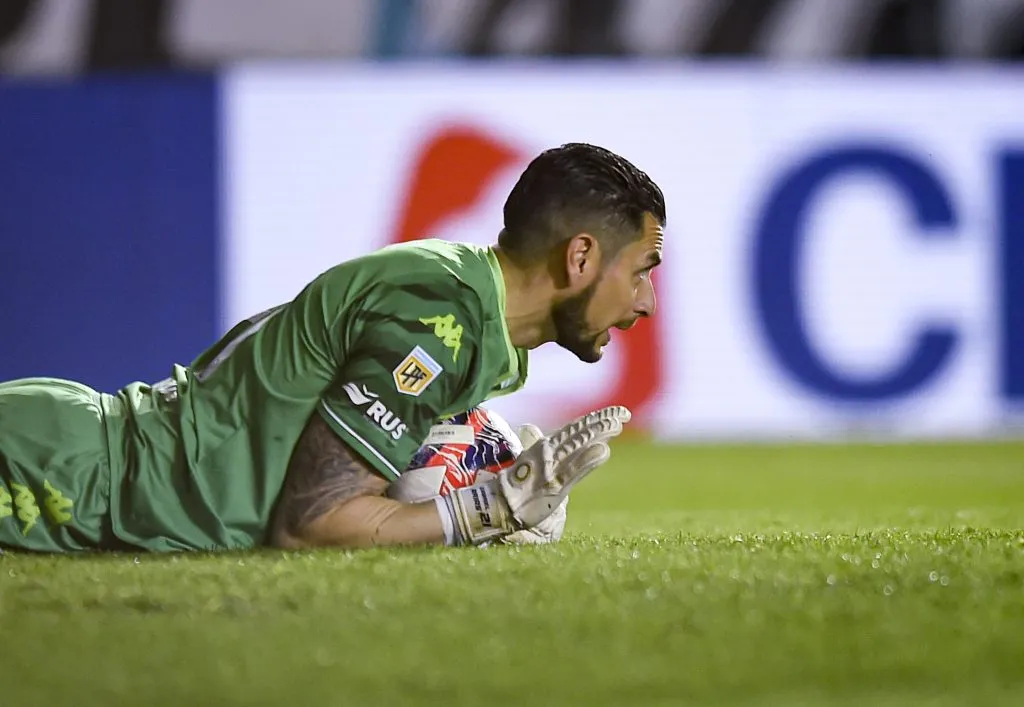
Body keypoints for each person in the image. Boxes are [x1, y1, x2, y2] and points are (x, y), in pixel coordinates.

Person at [0, 142, 666, 554]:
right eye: (641, 270)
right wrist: (485, 509)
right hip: (63, 476)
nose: (646, 301)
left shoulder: (464, 302)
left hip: (81, 460)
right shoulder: (442, 320)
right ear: (580, 256)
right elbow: (311, 523)